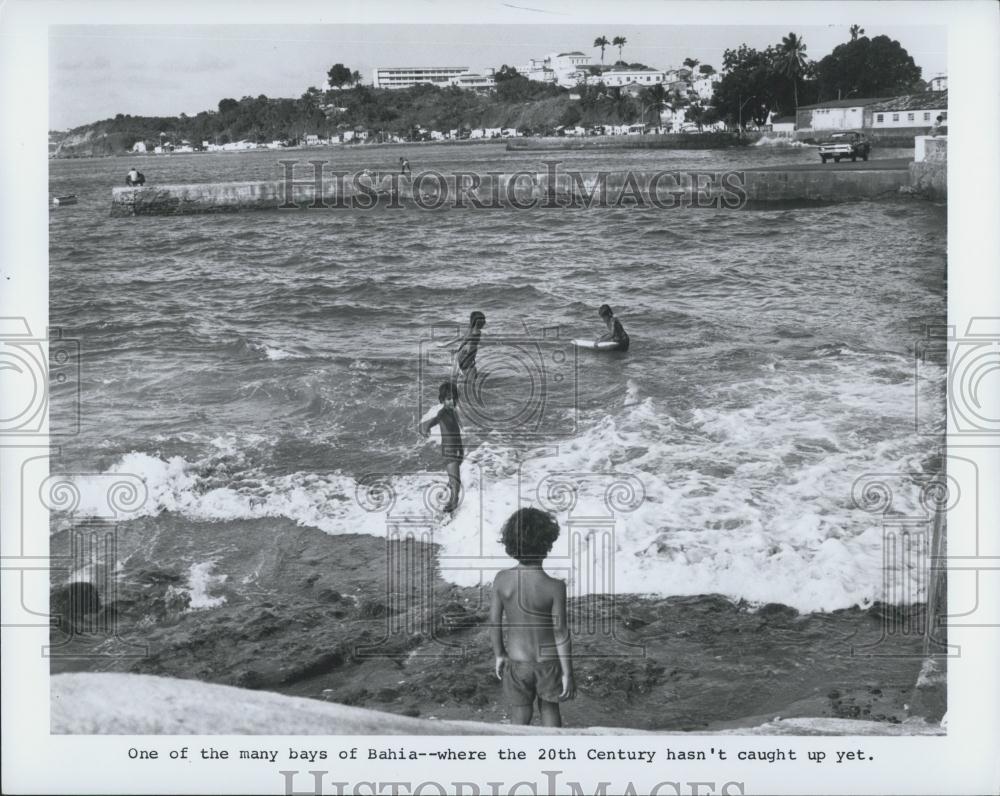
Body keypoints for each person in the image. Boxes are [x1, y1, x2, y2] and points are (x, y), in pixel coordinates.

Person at [490, 507, 575, 727]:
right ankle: (553, 753)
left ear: (510, 543)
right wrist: (568, 673)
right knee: (549, 709)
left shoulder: (502, 580)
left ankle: (517, 754)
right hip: (548, 663)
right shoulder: (555, 587)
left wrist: (499, 654)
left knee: (520, 715)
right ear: (547, 544)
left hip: (518, 663)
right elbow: (561, 632)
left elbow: (494, 623)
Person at [419, 381, 463, 516]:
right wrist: (426, 427)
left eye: (454, 398)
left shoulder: (453, 412)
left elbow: (457, 431)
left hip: (455, 450)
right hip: (449, 452)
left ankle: (449, 505)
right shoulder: (443, 412)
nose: (452, 401)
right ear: (442, 400)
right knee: (456, 484)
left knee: (454, 481)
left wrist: (461, 450)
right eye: (449, 399)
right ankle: (451, 508)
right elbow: (434, 420)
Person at [452, 311, 486, 384]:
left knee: (470, 373)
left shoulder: (471, 329)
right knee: (470, 378)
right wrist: (468, 353)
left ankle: (456, 379)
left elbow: (465, 339)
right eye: (483, 321)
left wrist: (459, 349)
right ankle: (457, 382)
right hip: (467, 355)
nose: (484, 322)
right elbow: (469, 342)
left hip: (462, 354)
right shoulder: (476, 332)